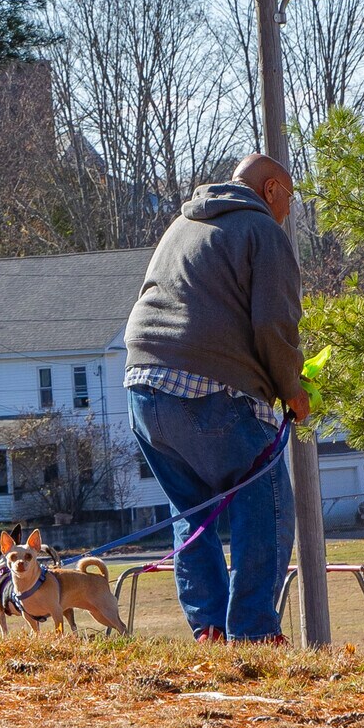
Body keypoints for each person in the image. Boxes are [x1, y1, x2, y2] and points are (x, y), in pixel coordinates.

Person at [123, 153, 308, 644]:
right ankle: (253, 631)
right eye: (289, 198)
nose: (288, 210)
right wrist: (291, 388)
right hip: (207, 389)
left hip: (142, 389)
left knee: (193, 511)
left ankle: (209, 628)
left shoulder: (182, 226)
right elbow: (273, 324)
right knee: (266, 503)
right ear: (270, 189)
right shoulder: (261, 230)